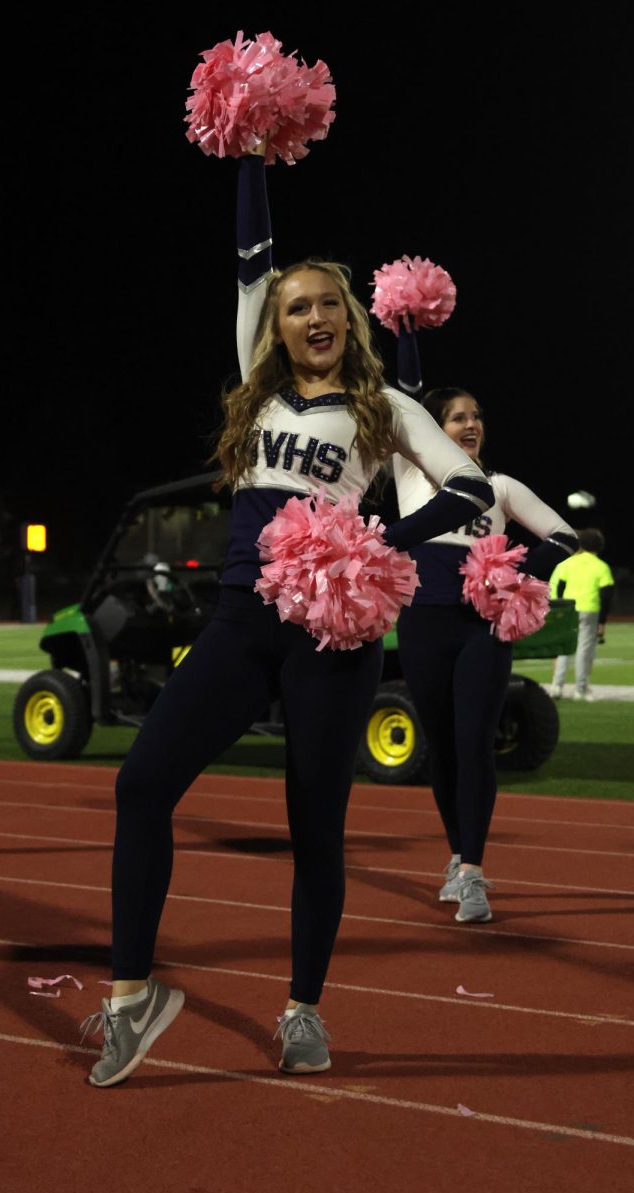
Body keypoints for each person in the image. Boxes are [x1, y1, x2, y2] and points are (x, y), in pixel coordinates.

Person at [81, 146, 495, 1089]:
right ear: (277, 322)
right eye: (296, 305)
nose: (312, 315)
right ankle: (131, 995)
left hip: (335, 640)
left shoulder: (385, 404)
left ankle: (304, 1007)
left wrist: (390, 533)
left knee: (316, 825)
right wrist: (256, 151)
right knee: (142, 785)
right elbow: (248, 256)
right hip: (240, 619)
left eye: (327, 304)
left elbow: (468, 485)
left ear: (351, 319)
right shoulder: (257, 386)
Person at [393, 327, 577, 923]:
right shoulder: (412, 472)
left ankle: (472, 870)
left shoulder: (498, 488)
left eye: (476, 417)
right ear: (434, 430)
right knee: (442, 746)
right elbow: (407, 397)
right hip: (423, 623)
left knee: (475, 740)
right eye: (455, 418)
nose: (470, 426)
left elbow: (564, 536)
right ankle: (456, 856)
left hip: (484, 626)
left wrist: (515, 570)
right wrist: (405, 331)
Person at [549, 528, 614, 701]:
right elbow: (606, 595)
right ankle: (581, 689)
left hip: (568, 609)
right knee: (584, 650)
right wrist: (602, 621)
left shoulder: (568, 563)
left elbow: (559, 587)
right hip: (589, 609)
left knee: (564, 648)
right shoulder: (601, 567)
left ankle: (557, 686)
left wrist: (560, 610)